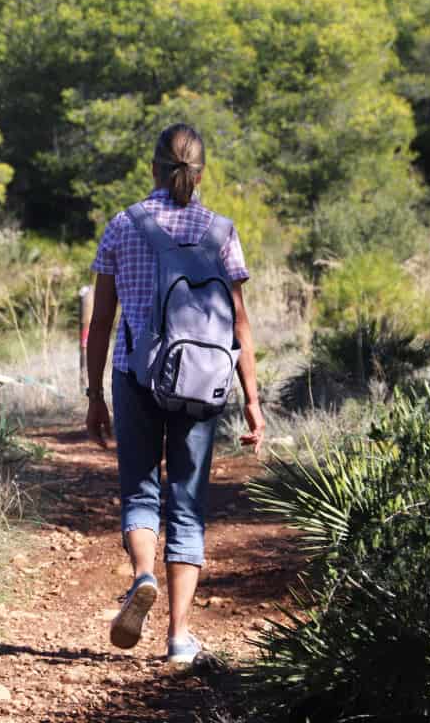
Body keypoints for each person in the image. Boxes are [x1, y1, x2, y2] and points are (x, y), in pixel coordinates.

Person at [84, 123, 265, 665]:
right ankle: (179, 638)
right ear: (200, 173)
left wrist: (94, 394)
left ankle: (142, 576)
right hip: (203, 380)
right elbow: (240, 324)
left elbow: (101, 320)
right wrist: (252, 399)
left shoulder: (123, 225)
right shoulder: (221, 230)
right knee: (186, 502)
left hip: (136, 375)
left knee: (140, 491)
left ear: (154, 169)